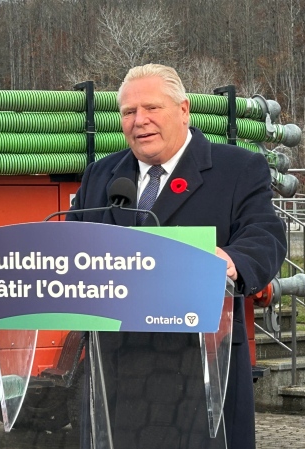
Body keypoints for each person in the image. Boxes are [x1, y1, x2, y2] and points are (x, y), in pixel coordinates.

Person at [68, 64, 286, 448]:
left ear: (184, 110)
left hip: (202, 373)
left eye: (151, 108)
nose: (140, 121)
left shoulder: (237, 168)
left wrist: (233, 261)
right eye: (129, 112)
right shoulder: (101, 176)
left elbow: (264, 235)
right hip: (114, 375)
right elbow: (72, 249)